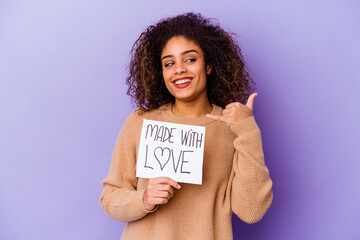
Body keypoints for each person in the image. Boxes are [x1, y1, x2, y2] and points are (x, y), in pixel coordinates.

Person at [100, 12, 273, 240]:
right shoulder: (141, 122)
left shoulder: (233, 128)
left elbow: (251, 211)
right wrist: (144, 199)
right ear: (161, 73)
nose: (179, 69)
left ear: (209, 66)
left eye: (190, 59)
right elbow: (110, 197)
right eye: (169, 63)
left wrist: (247, 128)